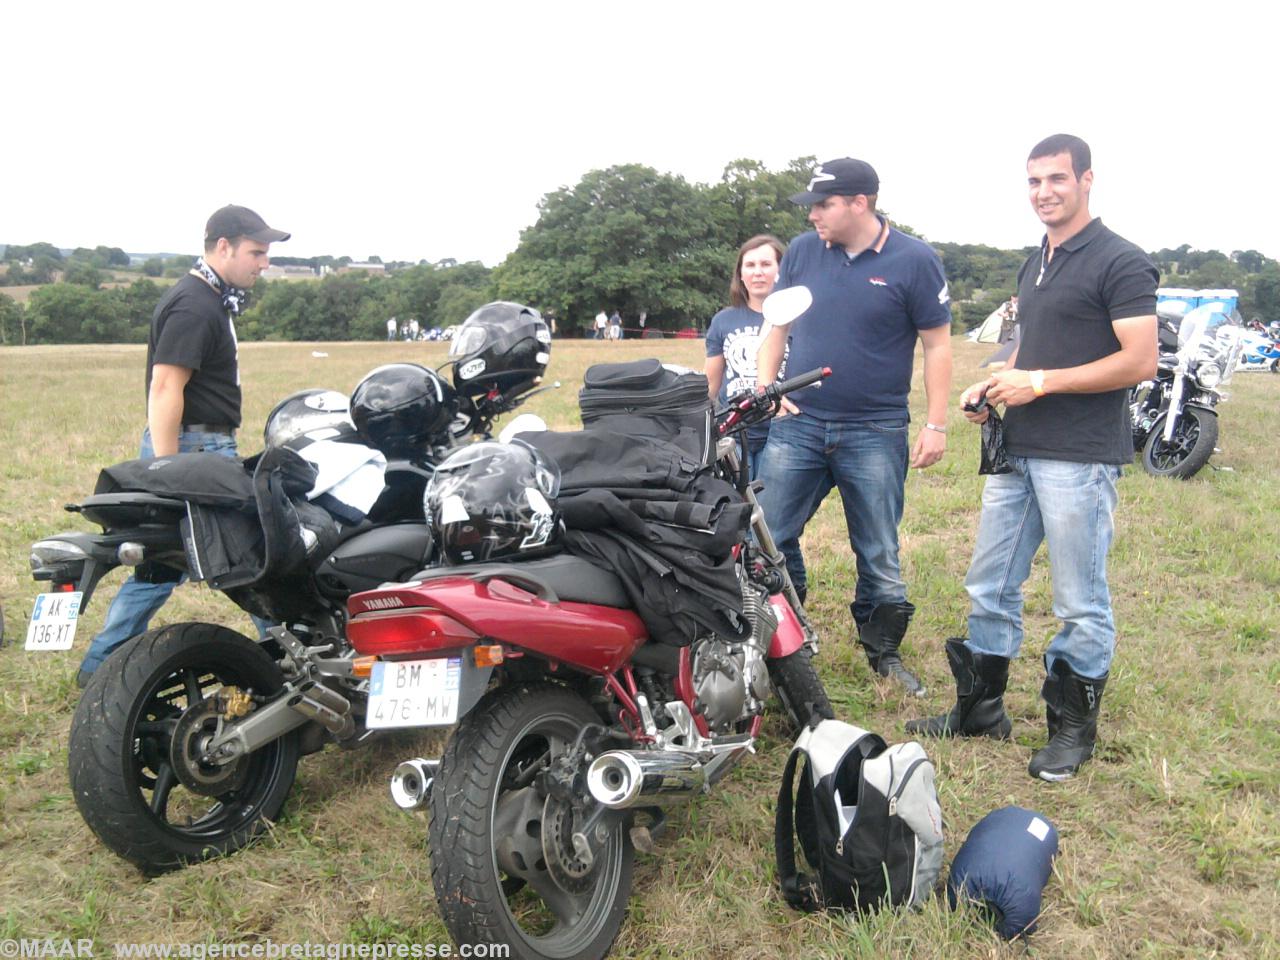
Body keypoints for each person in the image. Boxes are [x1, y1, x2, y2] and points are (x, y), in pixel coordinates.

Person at [907, 134, 1157, 782]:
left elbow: (1139, 360)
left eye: (1056, 179)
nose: (1044, 192)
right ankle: (980, 708)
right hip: (1017, 451)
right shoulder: (1035, 261)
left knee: (1080, 599)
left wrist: (1040, 383)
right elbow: (1025, 348)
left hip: (1079, 457)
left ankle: (1072, 730)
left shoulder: (1121, 261)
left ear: (1087, 179)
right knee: (989, 583)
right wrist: (993, 384)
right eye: (1033, 181)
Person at [755, 157, 953, 697]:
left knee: (878, 549)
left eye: (823, 204)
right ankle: (775, 636)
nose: (813, 215)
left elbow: (937, 345)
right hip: (799, 424)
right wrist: (767, 390)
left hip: (875, 428)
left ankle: (882, 651)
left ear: (859, 203)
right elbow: (777, 324)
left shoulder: (915, 261)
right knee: (765, 534)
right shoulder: (801, 252)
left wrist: (936, 423)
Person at [76, 204, 290, 687]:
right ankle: (288, 656)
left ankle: (97, 666)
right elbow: (166, 387)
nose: (264, 263)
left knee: (160, 566)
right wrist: (170, 468)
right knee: (251, 555)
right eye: (256, 252)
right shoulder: (195, 304)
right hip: (195, 450)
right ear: (223, 247)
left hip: (197, 446)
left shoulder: (208, 298)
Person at [704, 234, 785, 478]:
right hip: (735, 432)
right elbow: (710, 385)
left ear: (782, 270)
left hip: (782, 435)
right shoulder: (723, 320)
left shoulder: (794, 318)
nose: (757, 272)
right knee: (736, 510)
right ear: (740, 274)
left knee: (772, 513)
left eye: (766, 264)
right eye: (750, 265)